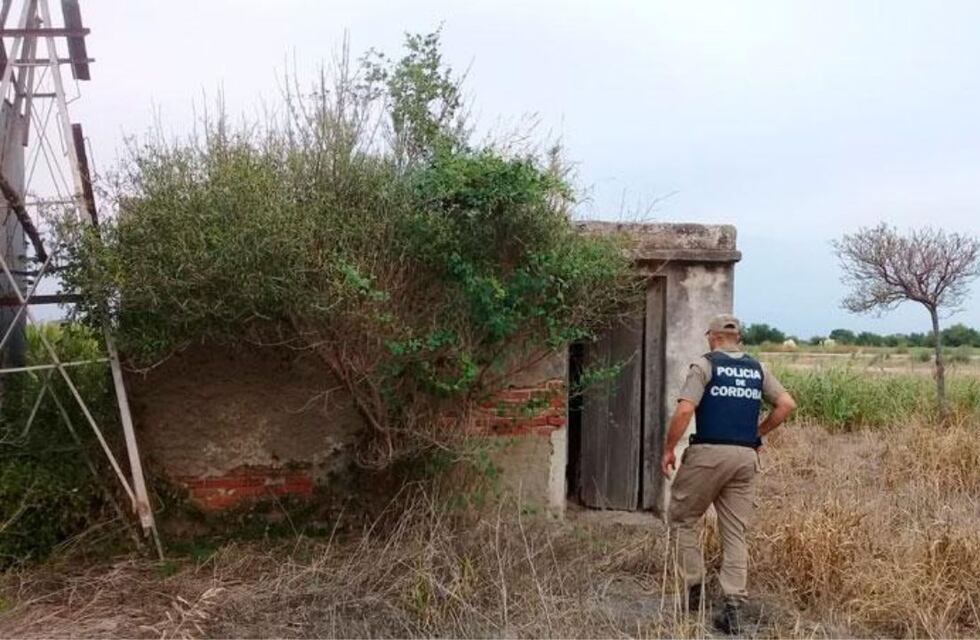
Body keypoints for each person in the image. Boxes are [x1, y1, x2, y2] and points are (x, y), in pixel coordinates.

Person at [660, 313, 796, 635]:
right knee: (735, 532)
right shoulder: (758, 368)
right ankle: (733, 609)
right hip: (745, 458)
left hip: (708, 453)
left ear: (714, 337)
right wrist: (756, 434)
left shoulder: (705, 365)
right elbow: (787, 404)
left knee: (681, 518)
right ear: (737, 338)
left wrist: (668, 448)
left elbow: (684, 409)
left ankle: (694, 589)